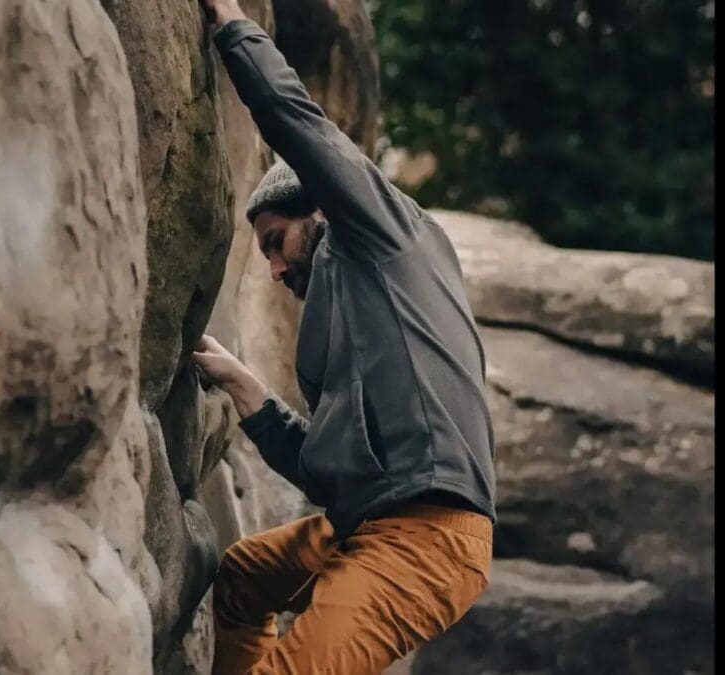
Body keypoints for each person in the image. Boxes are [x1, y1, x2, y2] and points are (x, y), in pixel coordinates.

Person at [189, 2, 498, 673]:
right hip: (361, 523)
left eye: (277, 243)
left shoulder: (384, 233)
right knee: (243, 578)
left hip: (427, 538)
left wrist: (230, 24)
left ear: (322, 206)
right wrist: (248, 390)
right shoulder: (356, 315)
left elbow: (300, 128)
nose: (273, 268)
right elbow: (327, 469)